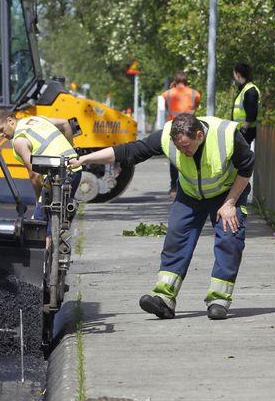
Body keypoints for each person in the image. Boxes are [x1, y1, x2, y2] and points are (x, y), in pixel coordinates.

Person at [69, 113, 254, 320]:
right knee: (176, 238)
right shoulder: (167, 135)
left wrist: (230, 203)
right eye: (179, 148)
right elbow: (130, 151)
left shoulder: (226, 136)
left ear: (199, 135)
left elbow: (247, 166)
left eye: (186, 147)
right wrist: (85, 159)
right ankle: (164, 299)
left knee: (230, 238)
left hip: (227, 192)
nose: (183, 152)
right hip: (191, 193)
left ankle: (219, 300)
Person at [0, 110, 82, 221]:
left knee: (39, 222)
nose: (1, 135)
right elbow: (65, 124)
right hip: (75, 170)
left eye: (1, 130)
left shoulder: (19, 140)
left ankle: (49, 233)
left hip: (56, 175)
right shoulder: (37, 120)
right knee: (61, 214)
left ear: (10, 121)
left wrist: (39, 200)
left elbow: (34, 174)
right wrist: (71, 148)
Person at [162, 71, 201, 196]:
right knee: (191, 156)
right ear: (186, 81)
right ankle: (193, 185)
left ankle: (174, 187)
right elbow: (194, 108)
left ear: (174, 81)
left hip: (174, 128)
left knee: (174, 158)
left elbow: (167, 108)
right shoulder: (195, 93)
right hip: (190, 128)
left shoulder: (167, 94)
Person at [231, 63, 261, 145]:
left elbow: (252, 113)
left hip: (246, 132)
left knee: (243, 157)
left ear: (238, 74)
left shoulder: (250, 90)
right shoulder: (245, 89)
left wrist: (244, 129)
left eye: (234, 74)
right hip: (243, 132)